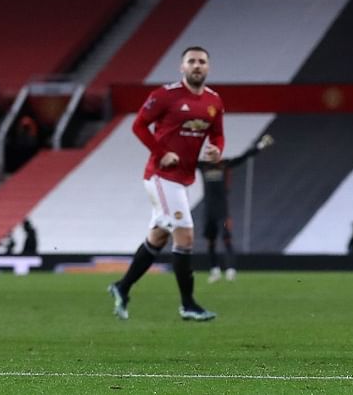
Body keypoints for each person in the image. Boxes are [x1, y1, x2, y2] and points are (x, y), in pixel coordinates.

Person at [107, 46, 224, 322]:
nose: (197, 66)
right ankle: (188, 305)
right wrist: (162, 153)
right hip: (161, 177)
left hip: (182, 179)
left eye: (202, 62)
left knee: (158, 237)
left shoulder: (214, 101)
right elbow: (138, 125)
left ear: (208, 68)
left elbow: (218, 136)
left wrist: (217, 150)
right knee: (185, 235)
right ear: (181, 67)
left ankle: (122, 288)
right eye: (192, 61)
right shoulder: (165, 96)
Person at [197, 133, 274, 282]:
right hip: (208, 211)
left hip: (222, 211)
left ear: (217, 153)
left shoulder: (225, 165)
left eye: (212, 152)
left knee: (226, 239)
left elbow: (244, 157)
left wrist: (261, 145)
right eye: (207, 153)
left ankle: (231, 270)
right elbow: (185, 160)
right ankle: (215, 271)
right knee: (210, 242)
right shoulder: (203, 166)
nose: (209, 155)